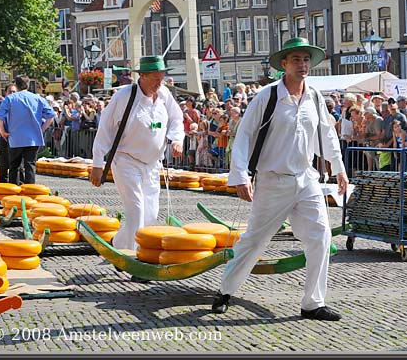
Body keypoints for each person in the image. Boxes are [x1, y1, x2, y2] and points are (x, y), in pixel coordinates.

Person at [212, 37, 349, 321]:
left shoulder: (314, 96)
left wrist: (339, 167)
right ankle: (226, 290)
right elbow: (244, 135)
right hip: (273, 180)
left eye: (306, 60)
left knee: (320, 236)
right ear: (284, 64)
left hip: (306, 178)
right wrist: (240, 175)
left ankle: (313, 303)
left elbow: (327, 133)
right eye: (296, 60)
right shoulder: (268, 96)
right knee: (255, 240)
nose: (303, 65)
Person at [89, 55, 184, 254]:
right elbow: (105, 128)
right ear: (142, 76)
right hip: (126, 161)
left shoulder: (165, 95)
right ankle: (136, 255)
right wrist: (97, 163)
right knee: (136, 210)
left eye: (162, 78)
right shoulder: (124, 97)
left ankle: (119, 244)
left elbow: (176, 118)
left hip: (152, 164)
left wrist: (176, 139)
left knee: (151, 213)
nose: (159, 83)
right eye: (155, 79)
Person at [0, 75, 55, 184]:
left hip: (15, 137)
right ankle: (30, 193)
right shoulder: (37, 98)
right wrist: (41, 130)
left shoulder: (10, 98)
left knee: (14, 166)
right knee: (30, 165)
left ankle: (13, 193)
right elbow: (51, 116)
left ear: (16, 85)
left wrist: (3, 132)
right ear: (28, 84)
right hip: (33, 138)